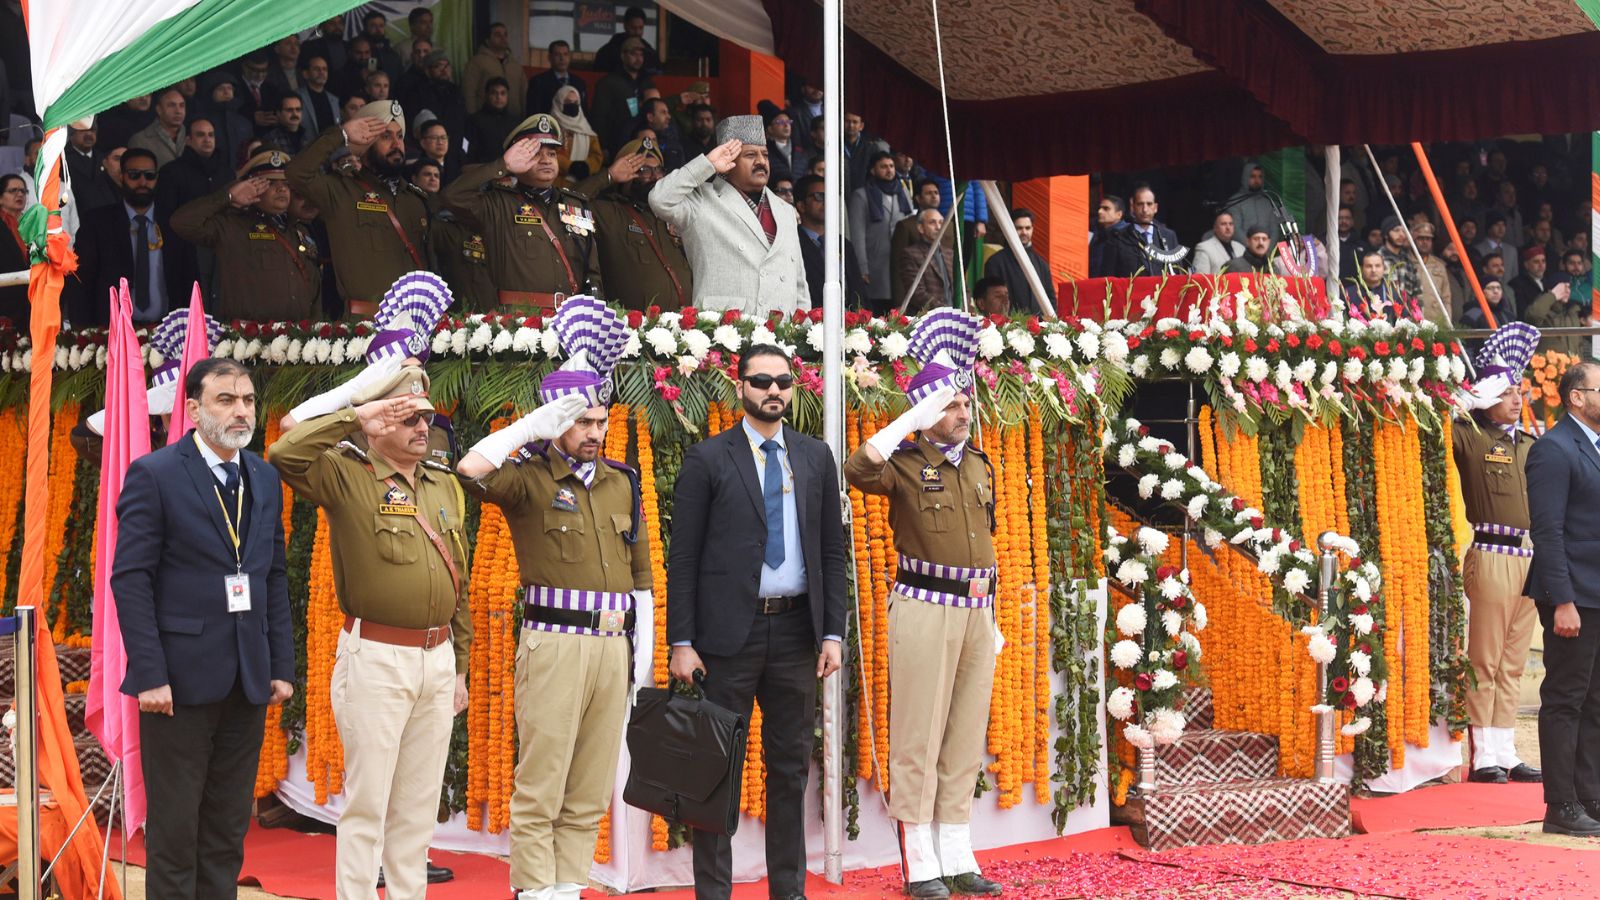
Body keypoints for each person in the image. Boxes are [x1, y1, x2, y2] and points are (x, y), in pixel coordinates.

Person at [457, 297, 650, 900]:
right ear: (554, 419)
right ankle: (533, 889)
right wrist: (529, 429)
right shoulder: (530, 476)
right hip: (555, 641)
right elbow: (470, 469)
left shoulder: (622, 480)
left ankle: (567, 887)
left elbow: (640, 574)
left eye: (600, 420)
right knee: (542, 780)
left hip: (612, 645)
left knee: (591, 785)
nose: (594, 432)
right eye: (580, 420)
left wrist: (640, 652)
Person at [271, 348, 471, 898]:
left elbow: (461, 582)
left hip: (437, 662)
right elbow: (284, 452)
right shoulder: (346, 475)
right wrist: (355, 414)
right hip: (377, 658)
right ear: (379, 419)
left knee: (416, 806)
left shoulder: (442, 483)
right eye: (405, 415)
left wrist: (461, 667)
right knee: (367, 804)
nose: (420, 425)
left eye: (425, 415)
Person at [110, 356, 295, 900]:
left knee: (226, 828)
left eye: (249, 400)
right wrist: (149, 674)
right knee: (175, 830)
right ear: (192, 409)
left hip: (247, 679)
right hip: (177, 683)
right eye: (226, 400)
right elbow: (131, 580)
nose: (242, 412)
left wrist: (280, 665)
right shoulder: (156, 473)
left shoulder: (263, 475)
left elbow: (273, 576)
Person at [667, 344, 847, 900]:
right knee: (716, 768)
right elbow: (685, 557)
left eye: (783, 381)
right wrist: (682, 640)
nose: (774, 390)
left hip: (796, 634)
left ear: (795, 388)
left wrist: (833, 633)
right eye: (762, 380)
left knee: (790, 767)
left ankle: (788, 891)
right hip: (726, 639)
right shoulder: (708, 459)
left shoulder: (816, 457)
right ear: (739, 387)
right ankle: (713, 894)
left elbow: (831, 553)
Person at [845, 310, 1003, 899]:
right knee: (919, 733)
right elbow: (857, 469)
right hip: (924, 605)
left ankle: (958, 854)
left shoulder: (982, 466)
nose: (961, 413)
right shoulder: (905, 465)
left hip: (977, 610)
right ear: (922, 412)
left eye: (964, 403)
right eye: (948, 405)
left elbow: (985, 541)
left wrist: (995, 617)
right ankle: (921, 862)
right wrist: (907, 421)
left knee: (964, 734)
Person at [1453, 325, 1544, 787]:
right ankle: (1483, 753)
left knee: (1512, 659)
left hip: (1532, 555)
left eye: (1518, 390)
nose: (1514, 399)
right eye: (1505, 391)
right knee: (1484, 658)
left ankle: (1506, 751)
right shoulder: (1472, 437)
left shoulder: (1528, 443)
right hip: (1491, 550)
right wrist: (1471, 399)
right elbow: (1442, 422)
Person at [1526, 360, 1600, 836]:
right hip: (1573, 594)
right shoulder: (1554, 449)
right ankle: (1561, 804)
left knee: (1595, 702)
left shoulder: (1592, 447)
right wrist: (1562, 600)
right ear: (1578, 396)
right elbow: (1548, 532)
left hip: (1598, 592)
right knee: (1565, 699)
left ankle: (1590, 795)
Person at [441, 114, 603, 311]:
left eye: (551, 154)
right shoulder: (498, 204)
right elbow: (452, 196)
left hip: (570, 323)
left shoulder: (574, 206)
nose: (546, 160)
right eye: (536, 154)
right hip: (520, 325)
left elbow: (592, 273)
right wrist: (503, 166)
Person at [650, 115, 809, 316]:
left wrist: (803, 334)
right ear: (727, 162)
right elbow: (659, 199)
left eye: (765, 155)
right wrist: (707, 164)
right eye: (750, 155)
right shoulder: (701, 200)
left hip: (781, 335)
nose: (761, 161)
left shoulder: (785, 210)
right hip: (726, 333)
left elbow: (799, 284)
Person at [284, 101, 432, 315]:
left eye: (399, 136)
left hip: (416, 324)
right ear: (365, 143)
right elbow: (297, 173)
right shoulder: (341, 191)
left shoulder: (415, 200)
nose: (396, 145)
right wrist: (340, 135)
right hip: (366, 327)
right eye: (385, 136)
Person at [170, 150, 322, 321]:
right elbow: (181, 223)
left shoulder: (299, 230)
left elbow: (314, 288)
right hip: (251, 339)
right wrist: (228, 196)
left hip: (298, 337)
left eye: (285, 183)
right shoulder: (233, 226)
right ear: (250, 187)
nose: (281, 188)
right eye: (270, 183)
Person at [67, 147, 194, 327]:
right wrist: (83, 333)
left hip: (169, 333)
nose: (142, 181)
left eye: (149, 175)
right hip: (112, 333)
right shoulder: (97, 223)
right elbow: (81, 284)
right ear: (122, 176)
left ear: (157, 178)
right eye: (134, 175)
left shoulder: (174, 223)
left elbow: (189, 281)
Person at [577, 140, 693, 310]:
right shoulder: (610, 213)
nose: (654, 177)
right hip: (633, 332)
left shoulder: (674, 214)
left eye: (658, 169)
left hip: (684, 327)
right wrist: (608, 176)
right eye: (644, 170)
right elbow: (568, 204)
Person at [848, 151, 913, 314]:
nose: (889, 170)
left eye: (891, 166)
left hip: (899, 261)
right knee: (877, 311)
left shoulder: (902, 192)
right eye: (883, 166)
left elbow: (910, 222)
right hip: (875, 263)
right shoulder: (861, 195)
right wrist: (862, 268)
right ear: (873, 170)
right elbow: (857, 234)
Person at [793, 173, 865, 310]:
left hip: (851, 324)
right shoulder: (792, 242)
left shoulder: (844, 244)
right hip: (812, 325)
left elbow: (858, 290)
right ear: (801, 205)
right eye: (819, 197)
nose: (827, 202)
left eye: (831, 196)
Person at [590, 37, 655, 157]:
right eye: (633, 54)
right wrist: (602, 146)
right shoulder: (608, 82)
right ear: (622, 56)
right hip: (616, 144)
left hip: (643, 144)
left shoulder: (647, 82)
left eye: (641, 54)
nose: (638, 58)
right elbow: (599, 117)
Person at [889, 178, 950, 303]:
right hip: (921, 300)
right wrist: (900, 302)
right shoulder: (906, 225)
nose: (934, 196)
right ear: (918, 198)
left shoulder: (950, 225)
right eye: (928, 193)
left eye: (936, 192)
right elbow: (897, 267)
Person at [983, 207, 1055, 312]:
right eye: (1019, 228)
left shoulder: (1042, 264)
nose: (1024, 232)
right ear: (1010, 229)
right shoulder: (995, 262)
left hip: (1040, 326)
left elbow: (1051, 299)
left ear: (1032, 229)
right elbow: (992, 301)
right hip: (1007, 326)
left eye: (1028, 228)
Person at [1103, 186, 1184, 277]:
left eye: (1149, 204)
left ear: (1155, 208)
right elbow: (1108, 278)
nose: (1145, 209)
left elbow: (1178, 273)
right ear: (1132, 207)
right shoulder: (1118, 237)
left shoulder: (1168, 236)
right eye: (1140, 204)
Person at [895, 209, 955, 313]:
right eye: (932, 222)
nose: (938, 227)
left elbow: (964, 288)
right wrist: (945, 309)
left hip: (954, 316)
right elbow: (916, 293)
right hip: (927, 318)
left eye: (941, 222)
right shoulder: (910, 254)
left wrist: (961, 308)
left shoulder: (950, 254)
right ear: (921, 228)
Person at [463, 22, 527, 118]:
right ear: (488, 40)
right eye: (497, 35)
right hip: (486, 119)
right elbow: (468, 91)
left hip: (513, 119)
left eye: (505, 34)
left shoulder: (515, 65)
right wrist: (472, 117)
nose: (503, 38)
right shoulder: (477, 62)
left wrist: (524, 116)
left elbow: (524, 93)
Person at [549, 85, 603, 183]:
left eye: (576, 103)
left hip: (582, 185)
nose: (572, 105)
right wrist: (570, 166)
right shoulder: (550, 127)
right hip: (554, 183)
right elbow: (547, 153)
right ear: (559, 103)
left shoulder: (586, 129)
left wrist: (586, 167)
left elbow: (597, 156)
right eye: (568, 102)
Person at [527, 41, 587, 126]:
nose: (562, 58)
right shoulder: (538, 82)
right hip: (549, 130)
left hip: (575, 130)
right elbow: (533, 114)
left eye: (565, 54)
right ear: (550, 57)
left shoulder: (579, 83)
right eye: (557, 54)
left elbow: (584, 112)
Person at [129, 86, 188, 170]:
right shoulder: (140, 141)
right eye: (172, 105)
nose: (178, 111)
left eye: (182, 106)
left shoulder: (193, 136)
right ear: (159, 110)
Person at [465, 78, 519, 165]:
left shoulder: (515, 122)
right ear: (486, 95)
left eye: (503, 93)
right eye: (494, 93)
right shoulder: (474, 121)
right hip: (482, 170)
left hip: (509, 170)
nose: (499, 97)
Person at [593, 6, 662, 74]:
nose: (637, 32)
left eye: (640, 28)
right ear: (625, 26)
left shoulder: (650, 53)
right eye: (633, 28)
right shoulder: (607, 52)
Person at [0, 174, 30, 322]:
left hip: (29, 303)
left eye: (23, 191)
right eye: (13, 191)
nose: (19, 194)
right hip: (4, 301)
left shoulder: (32, 225)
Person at [1226, 161, 1279, 240]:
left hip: (1266, 250)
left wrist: (1267, 250)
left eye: (1260, 177)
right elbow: (1235, 229)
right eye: (1253, 176)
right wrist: (1251, 247)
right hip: (1242, 250)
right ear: (1245, 177)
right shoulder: (1235, 201)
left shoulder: (1267, 202)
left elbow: (1274, 230)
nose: (1257, 180)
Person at [297, 53, 341, 137]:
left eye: (324, 69)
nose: (321, 72)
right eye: (316, 69)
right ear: (305, 74)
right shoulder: (297, 97)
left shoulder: (334, 100)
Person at [1191, 210, 1244, 275]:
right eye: (1223, 224)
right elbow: (1200, 279)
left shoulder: (1241, 247)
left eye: (1230, 224)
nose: (1228, 227)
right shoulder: (1204, 248)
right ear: (1215, 228)